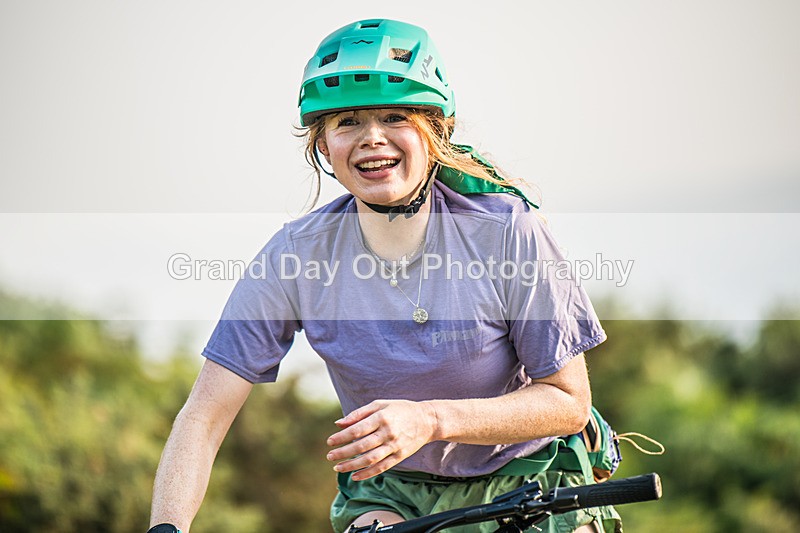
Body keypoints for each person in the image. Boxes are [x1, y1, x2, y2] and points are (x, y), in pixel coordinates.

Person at [149, 19, 620, 533]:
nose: (372, 139)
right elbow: (204, 416)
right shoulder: (294, 256)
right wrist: (166, 528)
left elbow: (568, 402)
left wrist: (430, 420)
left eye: (395, 116)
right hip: (390, 490)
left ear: (436, 130)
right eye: (348, 121)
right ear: (323, 144)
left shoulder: (507, 231)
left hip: (528, 478)